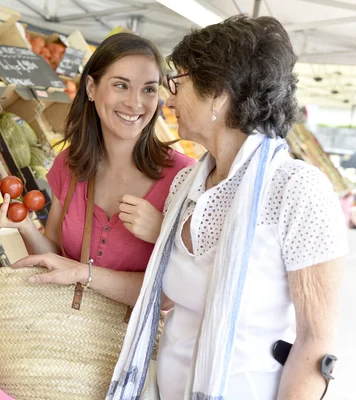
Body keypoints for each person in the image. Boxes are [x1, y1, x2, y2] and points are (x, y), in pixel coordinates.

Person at [107, 16, 348, 400]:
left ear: (219, 93)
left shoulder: (296, 189)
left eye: (178, 84)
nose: (168, 100)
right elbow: (167, 298)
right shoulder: (186, 185)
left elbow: (316, 341)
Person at [0, 33, 193, 306]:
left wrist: (163, 231)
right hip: (67, 337)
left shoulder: (183, 178)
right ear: (91, 87)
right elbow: (55, 255)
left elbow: (168, 296)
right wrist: (24, 226)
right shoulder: (70, 164)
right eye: (121, 85)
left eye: (148, 89)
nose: (135, 103)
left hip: (128, 344)